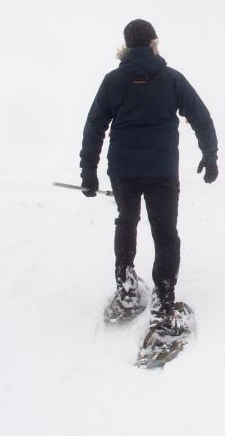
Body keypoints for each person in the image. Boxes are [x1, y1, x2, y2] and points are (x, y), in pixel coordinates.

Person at [79, 19, 218, 334]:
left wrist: (89, 170)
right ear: (154, 42)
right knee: (165, 234)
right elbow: (201, 116)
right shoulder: (171, 79)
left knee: (126, 222)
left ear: (127, 47)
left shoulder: (113, 81)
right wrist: (210, 156)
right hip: (161, 172)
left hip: (124, 170)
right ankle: (163, 305)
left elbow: (94, 126)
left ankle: (126, 289)